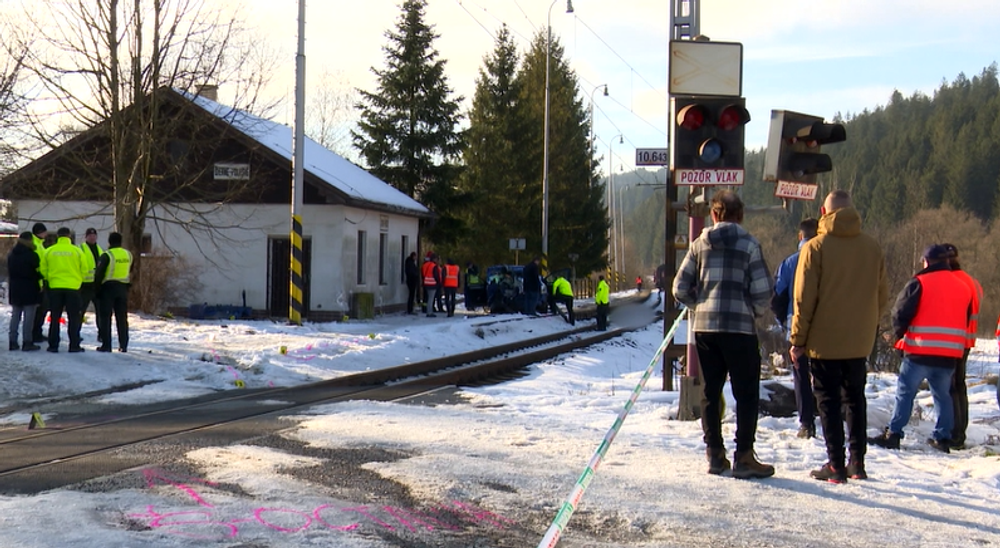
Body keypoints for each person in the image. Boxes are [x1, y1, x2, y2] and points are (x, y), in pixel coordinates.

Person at [672, 189, 774, 480]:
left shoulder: (699, 244)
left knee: (710, 390)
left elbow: (679, 288)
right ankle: (744, 455)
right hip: (739, 328)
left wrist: (699, 305)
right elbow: (763, 291)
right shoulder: (750, 244)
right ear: (740, 215)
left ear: (714, 214)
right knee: (746, 393)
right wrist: (752, 310)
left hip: (705, 328)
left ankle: (715, 454)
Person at [790, 190, 888, 483]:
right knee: (855, 399)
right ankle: (857, 462)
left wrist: (798, 340)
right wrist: (866, 323)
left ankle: (835, 464)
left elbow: (804, 299)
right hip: (859, 340)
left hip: (823, 340)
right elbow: (881, 295)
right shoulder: (872, 248)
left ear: (824, 211)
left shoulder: (815, 248)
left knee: (828, 401)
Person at [868, 244, 972, 455]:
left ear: (927, 261)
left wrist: (899, 336)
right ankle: (942, 437)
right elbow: (966, 317)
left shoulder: (920, 282)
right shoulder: (963, 286)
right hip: (949, 353)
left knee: (905, 393)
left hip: (919, 350)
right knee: (943, 396)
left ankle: (894, 434)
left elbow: (900, 312)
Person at [771, 218, 819, 439]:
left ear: (800, 236)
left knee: (801, 375)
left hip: (795, 326)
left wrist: (784, 323)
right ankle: (829, 419)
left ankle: (806, 423)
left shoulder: (789, 263)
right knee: (824, 374)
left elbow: (777, 297)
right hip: (824, 327)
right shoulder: (827, 259)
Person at [941, 244, 982, 450]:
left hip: (953, 339)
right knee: (959, 386)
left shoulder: (954, 281)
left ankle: (954, 434)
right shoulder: (972, 281)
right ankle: (959, 432)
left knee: (951, 388)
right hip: (966, 339)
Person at [40, 227, 86, 353]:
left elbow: (43, 270)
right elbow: (85, 269)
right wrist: (78, 281)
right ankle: (74, 345)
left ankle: (53, 345)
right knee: (73, 318)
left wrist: (50, 279)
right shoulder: (77, 251)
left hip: (55, 288)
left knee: (55, 317)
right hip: (73, 288)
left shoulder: (49, 251)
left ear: (58, 237)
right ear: (69, 236)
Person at [94, 232, 133, 352]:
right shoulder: (128, 254)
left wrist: (96, 289)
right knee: (122, 317)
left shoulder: (107, 255)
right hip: (123, 288)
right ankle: (123, 345)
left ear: (109, 242)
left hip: (108, 288)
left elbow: (99, 274)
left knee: (105, 317)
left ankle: (106, 345)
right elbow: (130, 269)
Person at [7, 231, 42, 352]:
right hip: (29, 289)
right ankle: (27, 342)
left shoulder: (11, 255)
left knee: (15, 316)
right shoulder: (32, 255)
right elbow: (38, 273)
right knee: (28, 318)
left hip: (15, 288)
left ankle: (12, 341)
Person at [78, 227, 104, 333]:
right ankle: (76, 334)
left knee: (101, 311)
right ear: (86, 237)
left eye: (94, 235)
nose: (92, 237)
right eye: (90, 236)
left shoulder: (100, 249)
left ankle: (101, 333)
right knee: (80, 311)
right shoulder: (81, 249)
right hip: (85, 285)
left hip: (97, 285)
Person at [29, 222, 48, 344]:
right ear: (40, 232)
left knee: (42, 310)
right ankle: (35, 333)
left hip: (41, 281)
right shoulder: (36, 245)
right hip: (38, 283)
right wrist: (41, 283)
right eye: (44, 231)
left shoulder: (40, 244)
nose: (46, 234)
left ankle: (37, 332)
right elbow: (38, 266)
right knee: (39, 310)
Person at [421, 253, 439, 317]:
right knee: (431, 299)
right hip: (432, 284)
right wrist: (438, 282)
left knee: (428, 298)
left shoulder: (425, 265)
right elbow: (436, 275)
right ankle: (429, 312)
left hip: (426, 283)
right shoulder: (434, 266)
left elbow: (422, 274)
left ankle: (428, 311)